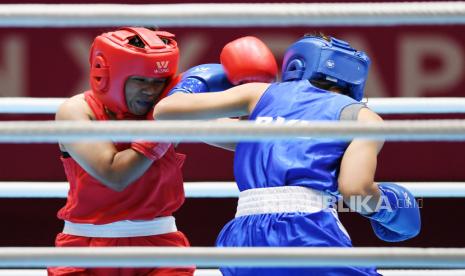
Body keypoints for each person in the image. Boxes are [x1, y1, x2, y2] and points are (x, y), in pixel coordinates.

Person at [154, 33, 421, 275]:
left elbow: (167, 113)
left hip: (240, 238)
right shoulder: (361, 117)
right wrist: (391, 208)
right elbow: (355, 192)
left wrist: (196, 82)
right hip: (307, 233)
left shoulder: (259, 95)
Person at [49, 27, 194, 276]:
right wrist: (162, 128)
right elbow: (114, 174)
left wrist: (254, 100)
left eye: (158, 82)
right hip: (86, 247)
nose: (150, 91)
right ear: (110, 74)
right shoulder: (76, 111)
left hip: (159, 245)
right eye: (140, 80)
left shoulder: (169, 109)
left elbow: (233, 138)